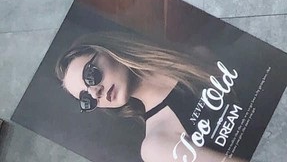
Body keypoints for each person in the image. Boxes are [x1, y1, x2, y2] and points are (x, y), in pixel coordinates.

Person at [56, 31, 232, 162]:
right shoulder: (156, 145)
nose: (95, 92)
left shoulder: (197, 55)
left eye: (90, 75)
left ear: (107, 49)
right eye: (86, 99)